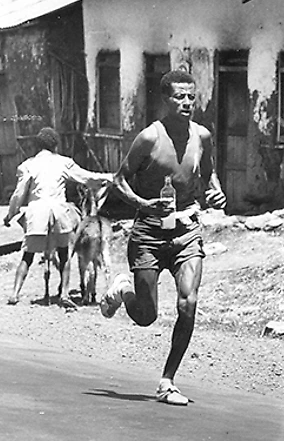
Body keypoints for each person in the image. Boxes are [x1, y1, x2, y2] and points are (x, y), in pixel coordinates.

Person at [99, 70, 226, 406]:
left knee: (189, 302)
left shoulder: (202, 135)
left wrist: (215, 192)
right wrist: (145, 204)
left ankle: (167, 381)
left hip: (186, 230)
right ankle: (123, 291)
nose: (187, 103)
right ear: (165, 99)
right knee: (146, 316)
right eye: (179, 97)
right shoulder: (149, 138)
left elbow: (209, 174)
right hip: (149, 233)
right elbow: (118, 180)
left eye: (191, 97)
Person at [3, 127, 112, 308]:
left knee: (28, 255)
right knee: (64, 254)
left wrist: (10, 214)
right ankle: (64, 294)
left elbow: (19, 193)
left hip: (37, 213)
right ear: (55, 146)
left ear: (37, 146)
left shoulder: (28, 165)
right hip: (59, 212)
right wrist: (110, 177)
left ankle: (14, 294)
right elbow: (87, 178)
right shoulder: (64, 163)